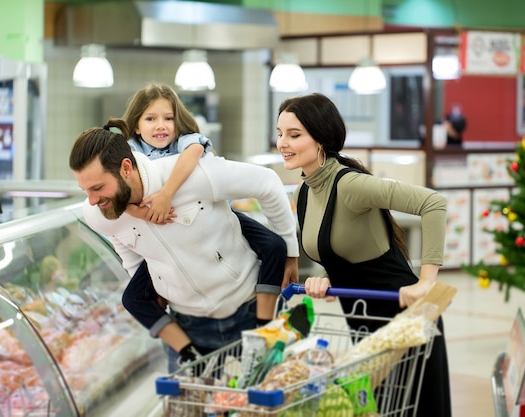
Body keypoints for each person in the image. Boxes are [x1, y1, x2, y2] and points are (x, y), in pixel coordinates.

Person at [69, 118, 299, 372]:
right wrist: (149, 285)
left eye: (98, 188)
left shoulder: (192, 175)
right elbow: (121, 242)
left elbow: (267, 182)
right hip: (189, 327)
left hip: (250, 307)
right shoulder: (98, 213)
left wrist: (290, 253)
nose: (91, 200)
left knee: (270, 401)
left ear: (126, 168)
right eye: (85, 190)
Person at [276, 92, 451, 417]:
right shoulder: (303, 193)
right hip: (364, 326)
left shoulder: (351, 184)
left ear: (321, 138)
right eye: (280, 133)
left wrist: (426, 281)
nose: (283, 143)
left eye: (294, 134)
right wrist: (324, 279)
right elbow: (345, 252)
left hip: (405, 323)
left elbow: (433, 204)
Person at [119, 83, 295, 332]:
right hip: (162, 240)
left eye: (168, 118)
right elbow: (115, 196)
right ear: (136, 125)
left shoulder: (184, 141)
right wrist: (140, 212)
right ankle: (181, 345)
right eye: (151, 118)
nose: (161, 125)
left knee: (275, 246)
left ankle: (265, 322)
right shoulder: (129, 153)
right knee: (132, 298)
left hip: (211, 218)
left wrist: (166, 194)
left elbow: (194, 150)